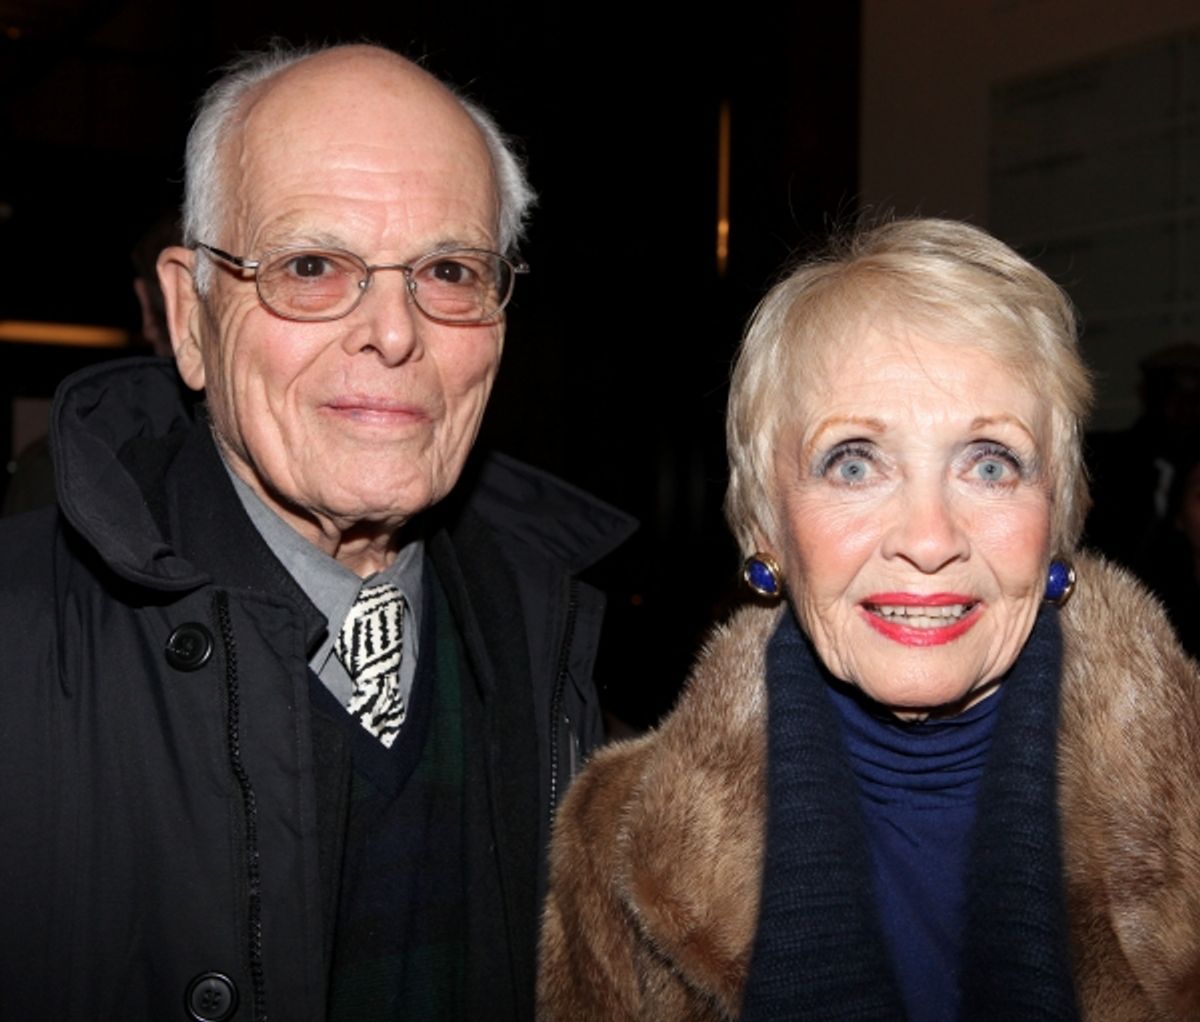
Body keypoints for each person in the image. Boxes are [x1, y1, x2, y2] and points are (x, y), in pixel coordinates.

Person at [0, 43, 633, 1022]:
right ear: (190, 314)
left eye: (450, 269)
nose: (393, 331)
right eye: (311, 265)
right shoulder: (21, 658)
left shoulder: (557, 645)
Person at [538, 218, 1200, 1021]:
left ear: (1058, 518)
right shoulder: (617, 841)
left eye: (991, 464)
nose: (929, 540)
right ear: (765, 529)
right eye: (853, 462)